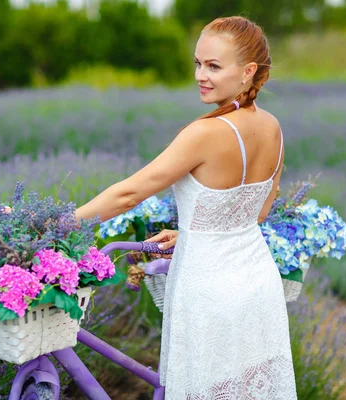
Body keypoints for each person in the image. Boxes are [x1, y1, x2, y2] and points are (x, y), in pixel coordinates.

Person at [75, 16, 297, 400]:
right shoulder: (273, 127)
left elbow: (128, 195)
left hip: (208, 287)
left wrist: (56, 224)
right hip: (258, 284)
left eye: (213, 66)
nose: (200, 75)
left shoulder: (204, 133)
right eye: (198, 63)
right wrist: (194, 230)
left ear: (247, 72)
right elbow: (257, 213)